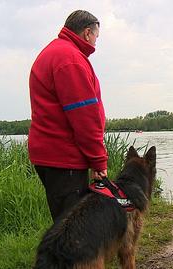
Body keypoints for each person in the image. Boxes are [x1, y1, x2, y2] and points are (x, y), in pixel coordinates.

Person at [28, 10, 108, 222]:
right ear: (87, 32)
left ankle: (63, 254)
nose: (95, 43)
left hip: (54, 154)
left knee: (66, 223)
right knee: (72, 228)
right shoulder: (70, 59)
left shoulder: (58, 52)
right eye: (96, 37)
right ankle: (68, 256)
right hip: (64, 156)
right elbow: (84, 117)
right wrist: (99, 162)